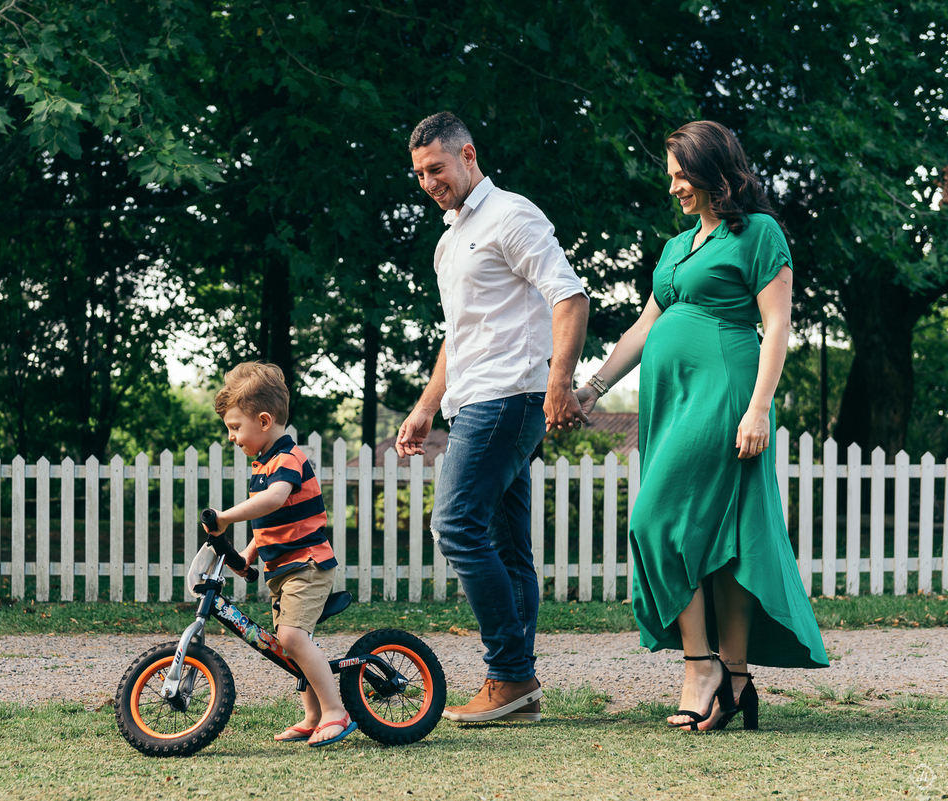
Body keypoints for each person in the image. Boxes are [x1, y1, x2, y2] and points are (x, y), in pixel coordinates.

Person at [575, 120, 829, 731]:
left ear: (716, 170)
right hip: (672, 399)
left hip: (725, 391)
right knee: (719, 538)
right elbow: (642, 328)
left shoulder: (759, 233)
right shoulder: (677, 246)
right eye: (670, 178)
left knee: (655, 518)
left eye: (681, 176)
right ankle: (735, 679)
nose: (673, 189)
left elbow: (778, 328)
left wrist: (759, 408)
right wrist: (591, 388)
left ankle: (700, 666)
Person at [396, 112, 590, 723]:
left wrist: (559, 383)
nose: (429, 182)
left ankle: (510, 673)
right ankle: (519, 690)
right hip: (474, 399)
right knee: (507, 548)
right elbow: (461, 334)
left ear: (468, 155)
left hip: (511, 397)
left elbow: (569, 296)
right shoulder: (450, 239)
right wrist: (427, 407)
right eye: (419, 173)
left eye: (437, 168)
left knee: (455, 526)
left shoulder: (512, 214)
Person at [202, 361, 352, 747]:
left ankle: (336, 711)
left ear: (264, 421)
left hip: (308, 565)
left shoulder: (287, 460)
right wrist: (247, 555)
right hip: (282, 569)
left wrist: (225, 518)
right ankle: (313, 715)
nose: (232, 437)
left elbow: (274, 500)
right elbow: (269, 522)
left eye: (235, 427)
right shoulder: (262, 464)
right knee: (289, 644)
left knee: (291, 637)